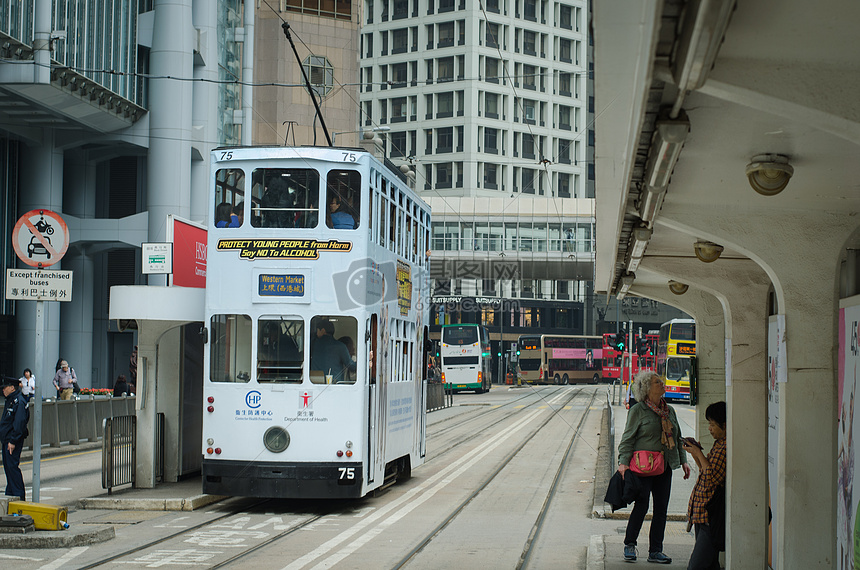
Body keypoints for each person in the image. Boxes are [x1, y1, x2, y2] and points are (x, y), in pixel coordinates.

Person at [617, 370, 690, 564]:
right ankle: (630, 544)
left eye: (661, 381)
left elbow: (677, 437)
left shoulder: (669, 411)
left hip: (664, 467)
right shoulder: (638, 410)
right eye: (658, 382)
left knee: (661, 510)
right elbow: (627, 439)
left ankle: (655, 550)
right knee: (641, 506)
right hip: (643, 467)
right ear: (647, 389)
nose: (662, 384)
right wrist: (623, 463)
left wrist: (683, 461)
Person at [684, 401, 727, 570]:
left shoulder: (725, 447)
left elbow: (711, 477)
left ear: (724, 425)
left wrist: (698, 453)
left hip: (710, 516)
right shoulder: (718, 444)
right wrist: (696, 453)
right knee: (710, 564)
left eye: (712, 424)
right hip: (701, 514)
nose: (709, 428)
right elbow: (704, 468)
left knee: (696, 565)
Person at [1, 375, 30, 500]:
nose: (3, 390)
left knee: (12, 467)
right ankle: (11, 495)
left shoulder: (19, 401)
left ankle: (18, 496)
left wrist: (13, 440)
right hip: (7, 440)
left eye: (5, 388)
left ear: (12, 388)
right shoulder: (11, 400)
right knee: (8, 468)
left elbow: (19, 423)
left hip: (12, 441)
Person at [310, 319, 356, 383]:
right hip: (336, 384)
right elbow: (351, 366)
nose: (316, 333)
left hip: (315, 382)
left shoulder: (312, 345)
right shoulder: (341, 346)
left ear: (323, 330)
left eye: (317, 330)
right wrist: (366, 362)